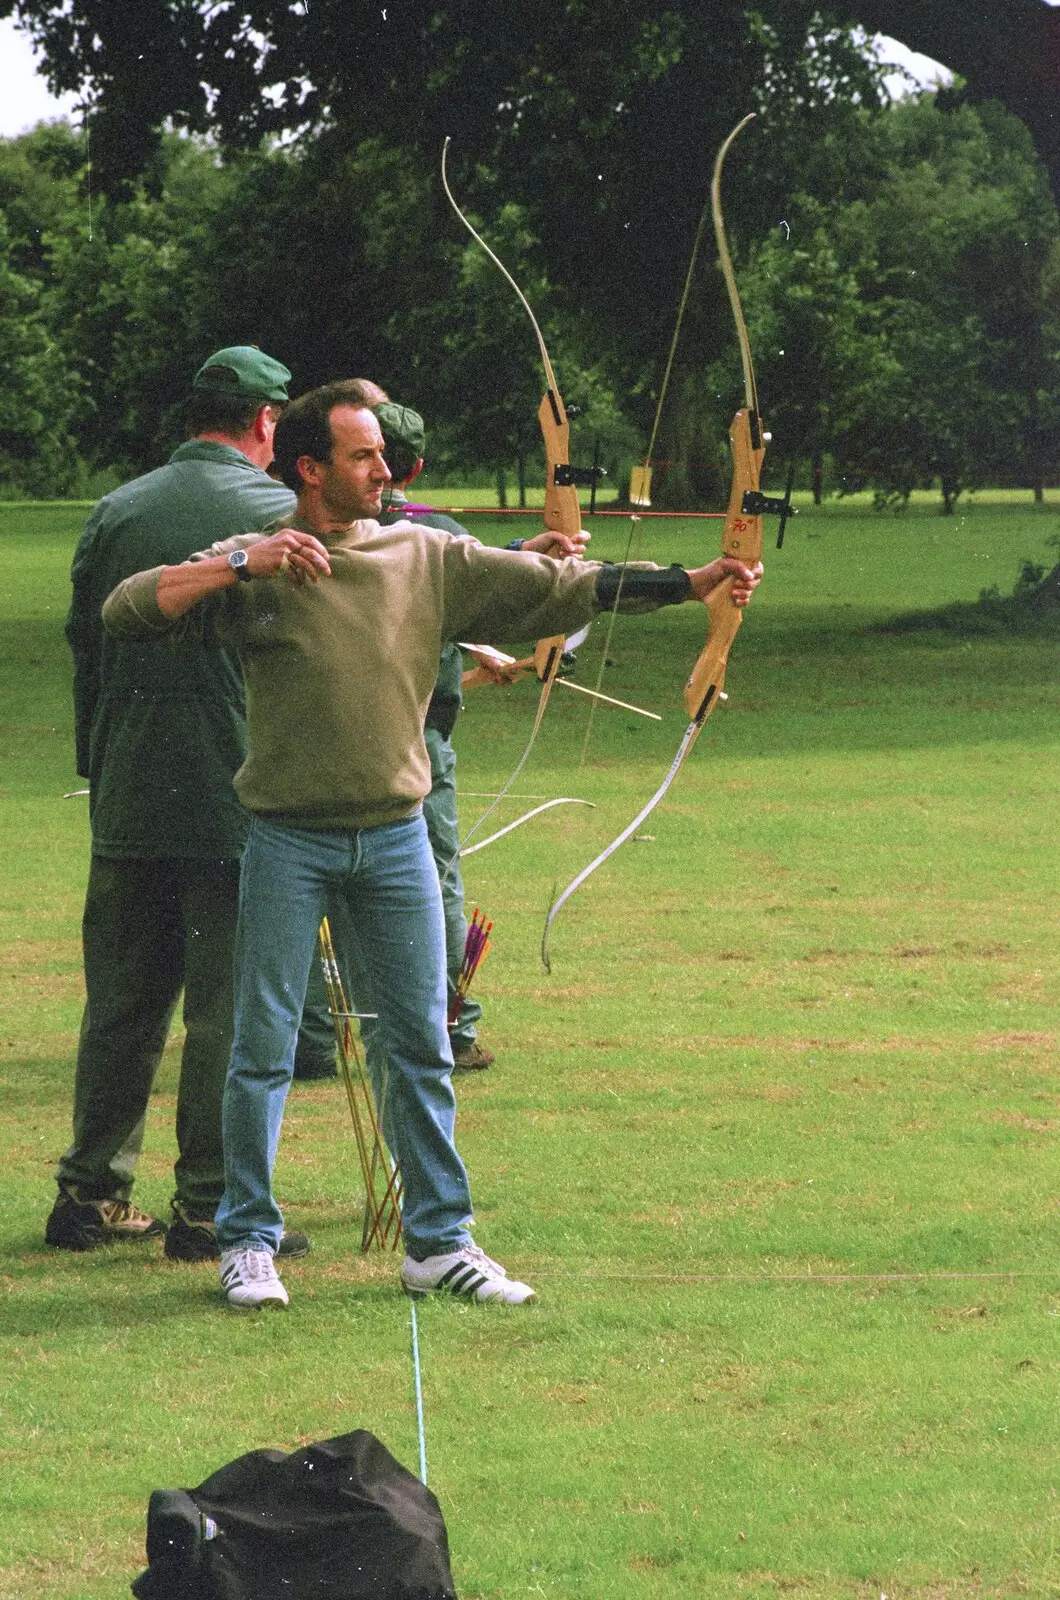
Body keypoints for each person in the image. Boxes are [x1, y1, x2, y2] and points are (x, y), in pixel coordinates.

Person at [100, 380, 762, 1311]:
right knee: (261, 1049)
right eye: (365, 456)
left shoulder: (424, 554)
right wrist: (243, 564)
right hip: (287, 841)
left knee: (419, 1044)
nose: (387, 470)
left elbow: (558, 587)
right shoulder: (258, 565)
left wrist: (691, 583)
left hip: (397, 840)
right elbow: (128, 609)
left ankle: (438, 1242)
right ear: (309, 469)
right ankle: (246, 1240)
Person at [50, 346, 311, 1264]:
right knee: (227, 1012)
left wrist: (101, 762)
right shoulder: (282, 513)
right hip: (237, 793)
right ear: (267, 425)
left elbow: (90, 645)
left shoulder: (118, 508)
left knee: (121, 1004)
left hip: (126, 788)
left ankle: (89, 1191)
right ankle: (208, 1207)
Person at [374, 396, 589, 1071]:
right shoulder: (431, 533)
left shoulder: (325, 528)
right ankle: (451, 1029)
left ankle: (328, 1030)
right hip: (417, 741)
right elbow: (480, 579)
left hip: (368, 733)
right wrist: (531, 558)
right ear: (420, 464)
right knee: (434, 880)